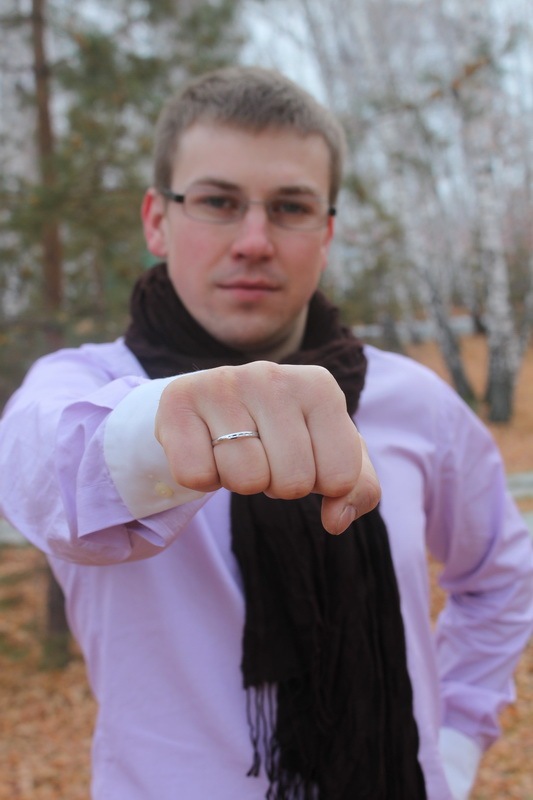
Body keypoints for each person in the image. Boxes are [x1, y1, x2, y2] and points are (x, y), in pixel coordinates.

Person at [0, 66, 532, 800]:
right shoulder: (82, 388)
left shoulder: (415, 401)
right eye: (217, 202)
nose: (254, 241)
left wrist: (457, 739)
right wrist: (161, 429)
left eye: (290, 207)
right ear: (157, 220)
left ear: (327, 232)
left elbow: (500, 573)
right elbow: (44, 472)